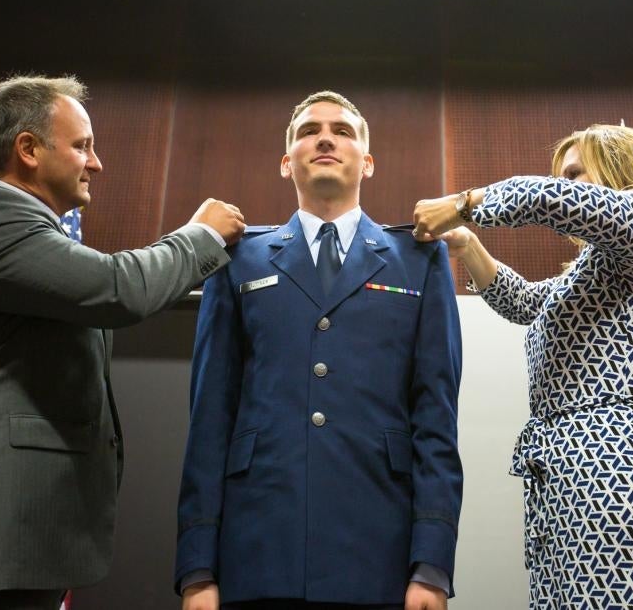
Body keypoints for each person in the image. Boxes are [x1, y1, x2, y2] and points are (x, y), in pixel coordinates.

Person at [0, 75, 246, 609]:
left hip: (11, 545)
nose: (97, 163)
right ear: (28, 149)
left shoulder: (21, 225)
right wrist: (199, 235)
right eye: (82, 145)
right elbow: (118, 289)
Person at [413, 124, 633, 609]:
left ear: (622, 167)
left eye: (577, 173)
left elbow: (551, 200)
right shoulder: (596, 268)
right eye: (564, 176)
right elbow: (526, 304)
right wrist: (468, 246)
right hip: (569, 479)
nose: (567, 185)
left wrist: (463, 201)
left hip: (625, 472)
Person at [175, 91, 463, 610]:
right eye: (309, 131)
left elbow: (436, 418)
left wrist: (433, 563)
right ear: (287, 163)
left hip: (380, 550)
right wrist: (197, 569)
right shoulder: (237, 258)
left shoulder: (418, 260)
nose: (325, 137)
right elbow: (209, 417)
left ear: (367, 163)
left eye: (343, 131)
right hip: (259, 548)